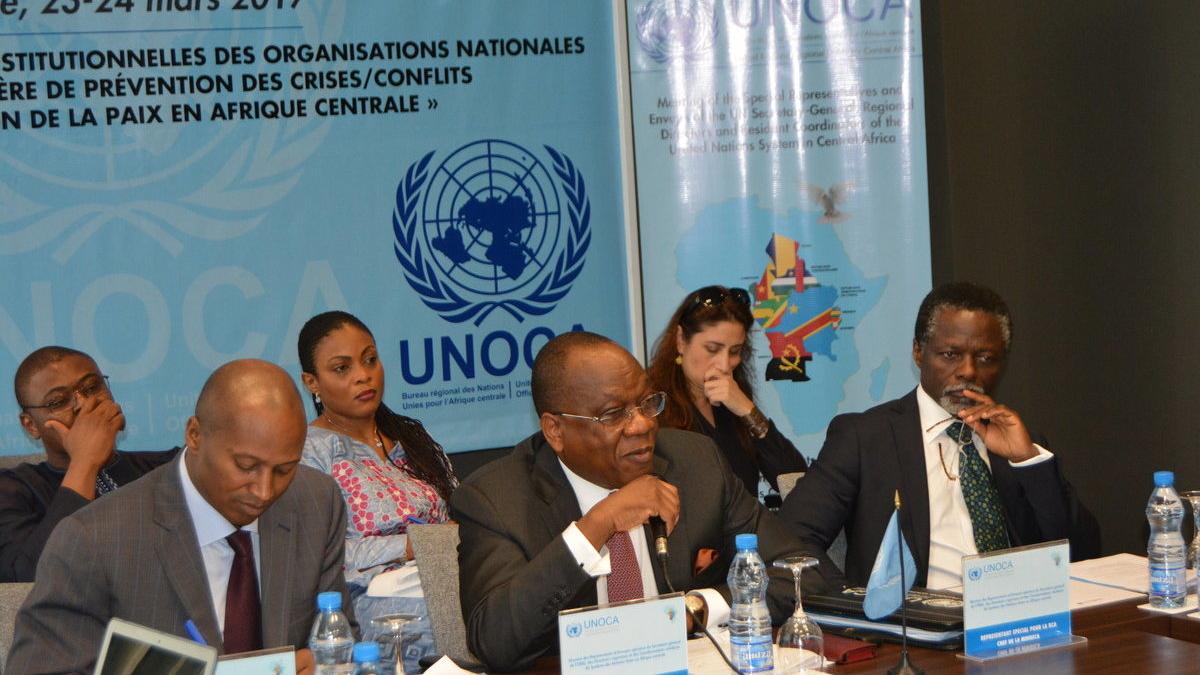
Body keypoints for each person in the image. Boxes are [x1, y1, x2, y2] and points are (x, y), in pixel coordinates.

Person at [451, 331, 827, 672]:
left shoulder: (696, 463)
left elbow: (803, 574)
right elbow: (496, 643)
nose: (643, 424)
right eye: (614, 414)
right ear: (555, 431)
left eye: (647, 403)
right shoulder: (495, 499)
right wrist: (598, 524)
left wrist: (695, 609)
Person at [6, 359, 353, 675]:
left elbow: (339, 633)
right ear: (194, 435)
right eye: (246, 466)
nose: (264, 491)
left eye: (284, 470)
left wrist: (323, 662)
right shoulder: (94, 539)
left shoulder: (315, 502)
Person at [780, 282, 1101, 590]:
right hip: (915, 620)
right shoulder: (865, 438)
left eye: (985, 358)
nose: (968, 371)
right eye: (950, 354)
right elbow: (791, 538)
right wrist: (857, 605)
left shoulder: (1016, 440)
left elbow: (1084, 552)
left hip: (1016, 614)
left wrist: (1028, 460)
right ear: (918, 352)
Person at [298, 311, 457, 672]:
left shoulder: (411, 437)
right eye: (342, 368)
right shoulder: (309, 453)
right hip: (371, 599)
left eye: (370, 360)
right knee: (468, 620)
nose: (363, 375)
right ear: (312, 382)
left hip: (444, 574)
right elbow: (320, 556)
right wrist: (412, 545)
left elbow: (456, 517)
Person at [0, 346, 177, 582]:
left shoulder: (169, 467)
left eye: (92, 387)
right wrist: (84, 462)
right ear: (31, 425)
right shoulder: (14, 490)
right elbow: (26, 577)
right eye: (58, 401)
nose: (84, 404)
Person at [647, 285, 807, 500]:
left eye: (734, 351)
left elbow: (796, 483)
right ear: (681, 340)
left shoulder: (733, 401)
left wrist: (748, 410)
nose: (724, 365)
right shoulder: (652, 408)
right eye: (712, 349)